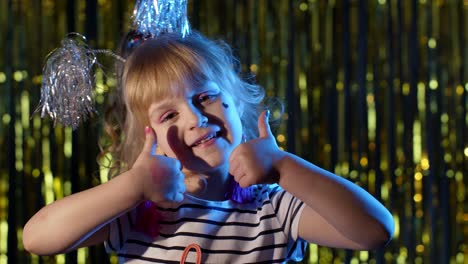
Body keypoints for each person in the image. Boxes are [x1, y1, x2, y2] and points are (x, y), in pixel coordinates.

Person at [23, 31, 394, 263]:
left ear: (236, 102)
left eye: (205, 97)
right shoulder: (138, 213)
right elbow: (37, 238)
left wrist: (284, 166)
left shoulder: (273, 207)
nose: (194, 118)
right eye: (169, 116)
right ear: (147, 138)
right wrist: (132, 186)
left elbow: (375, 231)